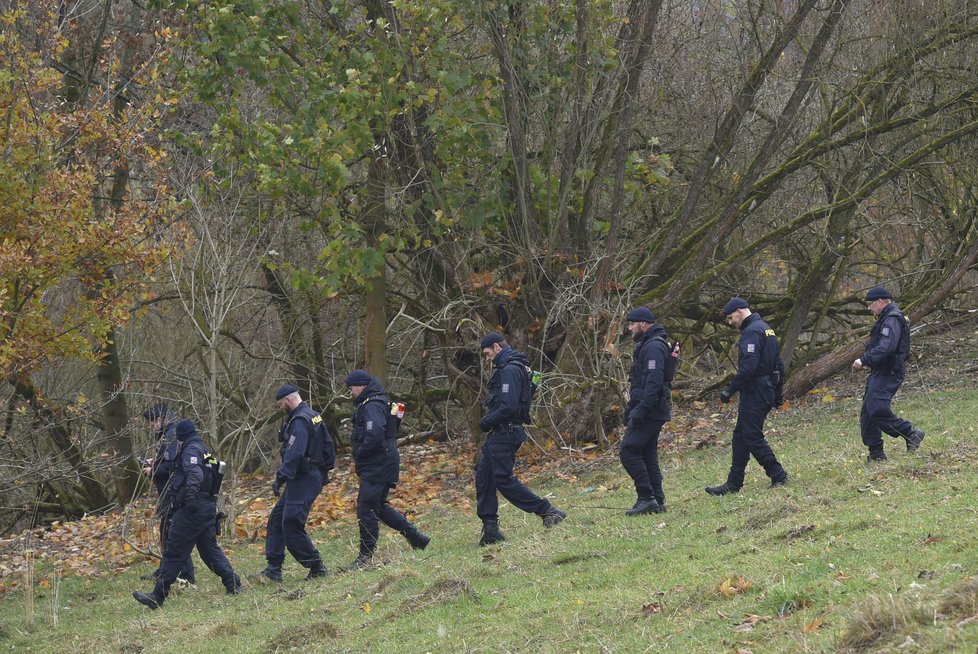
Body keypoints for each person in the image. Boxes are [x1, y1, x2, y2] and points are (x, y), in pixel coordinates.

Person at [133, 419, 240, 609]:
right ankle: (233, 582)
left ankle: (157, 596)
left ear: (181, 437)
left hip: (193, 509)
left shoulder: (190, 450)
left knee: (173, 550)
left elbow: (195, 475)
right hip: (206, 507)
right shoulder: (202, 448)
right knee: (209, 550)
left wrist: (190, 499)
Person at [476, 332, 565, 546]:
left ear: (496, 346)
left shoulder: (509, 370)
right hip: (500, 433)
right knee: (484, 476)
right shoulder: (509, 367)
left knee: (503, 479)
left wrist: (486, 422)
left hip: (505, 432)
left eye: (487, 353)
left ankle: (547, 511)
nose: (487, 357)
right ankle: (490, 529)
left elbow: (508, 406)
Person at [343, 370, 430, 570]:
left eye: (351, 388)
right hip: (382, 461)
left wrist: (360, 455)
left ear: (361, 386)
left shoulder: (372, 405)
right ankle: (416, 537)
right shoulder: (378, 401)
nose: (350, 393)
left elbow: (374, 435)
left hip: (377, 463)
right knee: (378, 506)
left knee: (366, 508)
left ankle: (365, 556)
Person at [706, 298, 788, 496]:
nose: (730, 322)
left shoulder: (751, 332)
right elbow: (779, 366)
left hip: (756, 391)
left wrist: (729, 390)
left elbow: (749, 368)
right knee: (740, 437)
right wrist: (777, 393)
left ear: (740, 312)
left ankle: (778, 474)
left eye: (730, 317)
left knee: (751, 435)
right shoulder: (766, 328)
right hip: (765, 388)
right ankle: (733, 483)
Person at [256, 384, 330, 582]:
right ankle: (274, 568)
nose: (281, 408)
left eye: (281, 404)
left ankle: (316, 566)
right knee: (277, 519)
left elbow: (294, 453)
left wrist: (281, 477)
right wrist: (325, 471)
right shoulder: (313, 415)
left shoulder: (299, 421)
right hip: (305, 476)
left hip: (304, 477)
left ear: (288, 400)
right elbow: (328, 445)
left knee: (291, 521)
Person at [852, 286, 925, 461]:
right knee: (868, 412)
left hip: (890, 371)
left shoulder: (892, 319)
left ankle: (910, 432)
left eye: (870, 304)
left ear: (880, 301)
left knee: (876, 408)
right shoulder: (885, 317)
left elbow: (887, 347)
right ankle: (876, 454)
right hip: (881, 371)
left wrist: (864, 360)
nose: (869, 308)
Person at [621, 307, 672, 515]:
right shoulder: (648, 344)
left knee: (629, 451)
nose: (630, 328)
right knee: (647, 454)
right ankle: (657, 500)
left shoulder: (653, 347)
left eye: (632, 324)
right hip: (650, 408)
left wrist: (640, 411)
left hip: (650, 410)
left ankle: (646, 497)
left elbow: (653, 384)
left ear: (643, 323)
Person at [139, 403, 195, 584]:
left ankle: (185, 574)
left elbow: (171, 466)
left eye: (152, 422)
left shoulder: (170, 436)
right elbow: (167, 460)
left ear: (160, 419)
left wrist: (153, 469)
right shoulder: (167, 436)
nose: (151, 426)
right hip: (168, 491)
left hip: (172, 492)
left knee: (172, 534)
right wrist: (155, 462)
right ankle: (167, 569)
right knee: (167, 532)